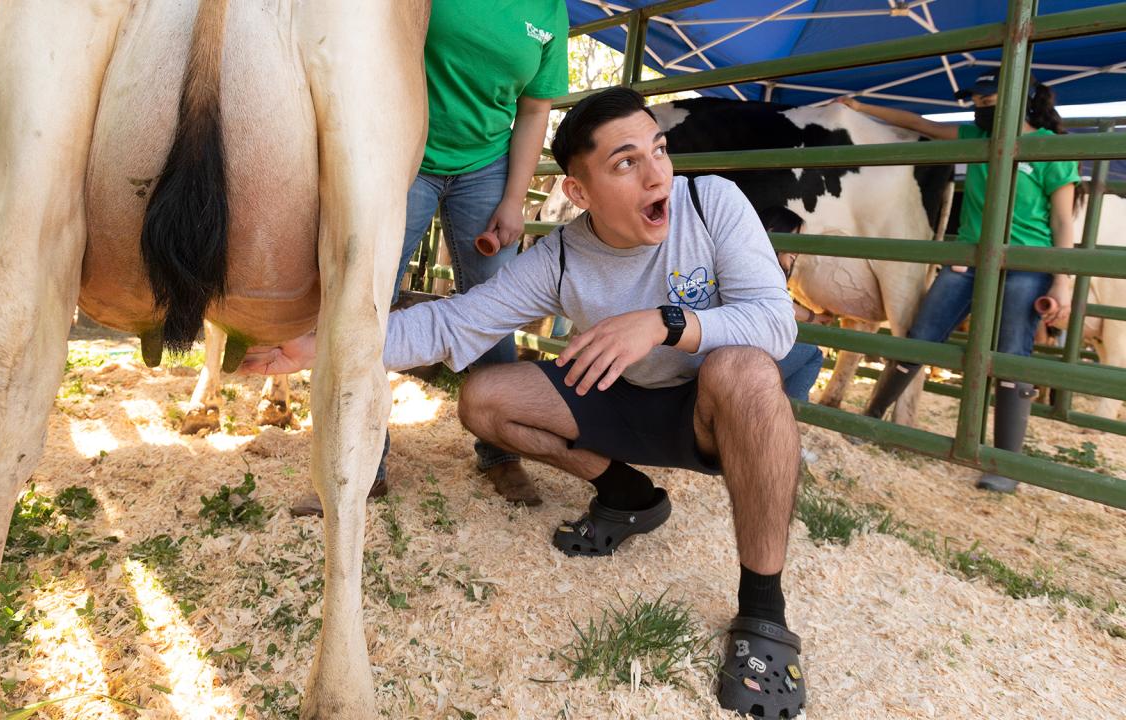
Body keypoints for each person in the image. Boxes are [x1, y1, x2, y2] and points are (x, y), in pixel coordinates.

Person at [243, 87, 808, 719]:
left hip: (709, 409)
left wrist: (666, 322)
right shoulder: (561, 256)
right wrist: (323, 346)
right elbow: (455, 323)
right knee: (484, 399)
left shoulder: (712, 203)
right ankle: (628, 495)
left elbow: (774, 322)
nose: (658, 175)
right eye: (626, 163)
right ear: (579, 192)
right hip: (618, 398)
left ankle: (764, 611)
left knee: (748, 368)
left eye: (659, 150)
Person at [291, 1, 569, 516]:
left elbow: (533, 110)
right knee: (364, 300)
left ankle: (502, 450)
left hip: (486, 163)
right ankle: (358, 463)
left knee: (494, 307)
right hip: (399, 150)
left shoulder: (551, 12)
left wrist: (514, 200)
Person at [836, 72, 1079, 493]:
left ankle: (1004, 465)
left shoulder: (1051, 151)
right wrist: (861, 107)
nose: (980, 106)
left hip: (1025, 262)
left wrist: (1063, 281)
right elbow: (921, 124)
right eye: (976, 99)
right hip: (969, 258)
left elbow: (1062, 220)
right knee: (919, 337)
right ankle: (870, 419)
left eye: (989, 98)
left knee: (1009, 354)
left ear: (1021, 98)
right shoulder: (973, 134)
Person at [758, 206, 830, 402]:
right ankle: (787, 418)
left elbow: (780, 302)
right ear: (772, 232)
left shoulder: (746, 259)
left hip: (737, 350)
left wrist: (814, 317)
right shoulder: (763, 267)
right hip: (748, 355)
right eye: (795, 237)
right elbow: (779, 305)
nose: (797, 250)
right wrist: (813, 317)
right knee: (812, 353)